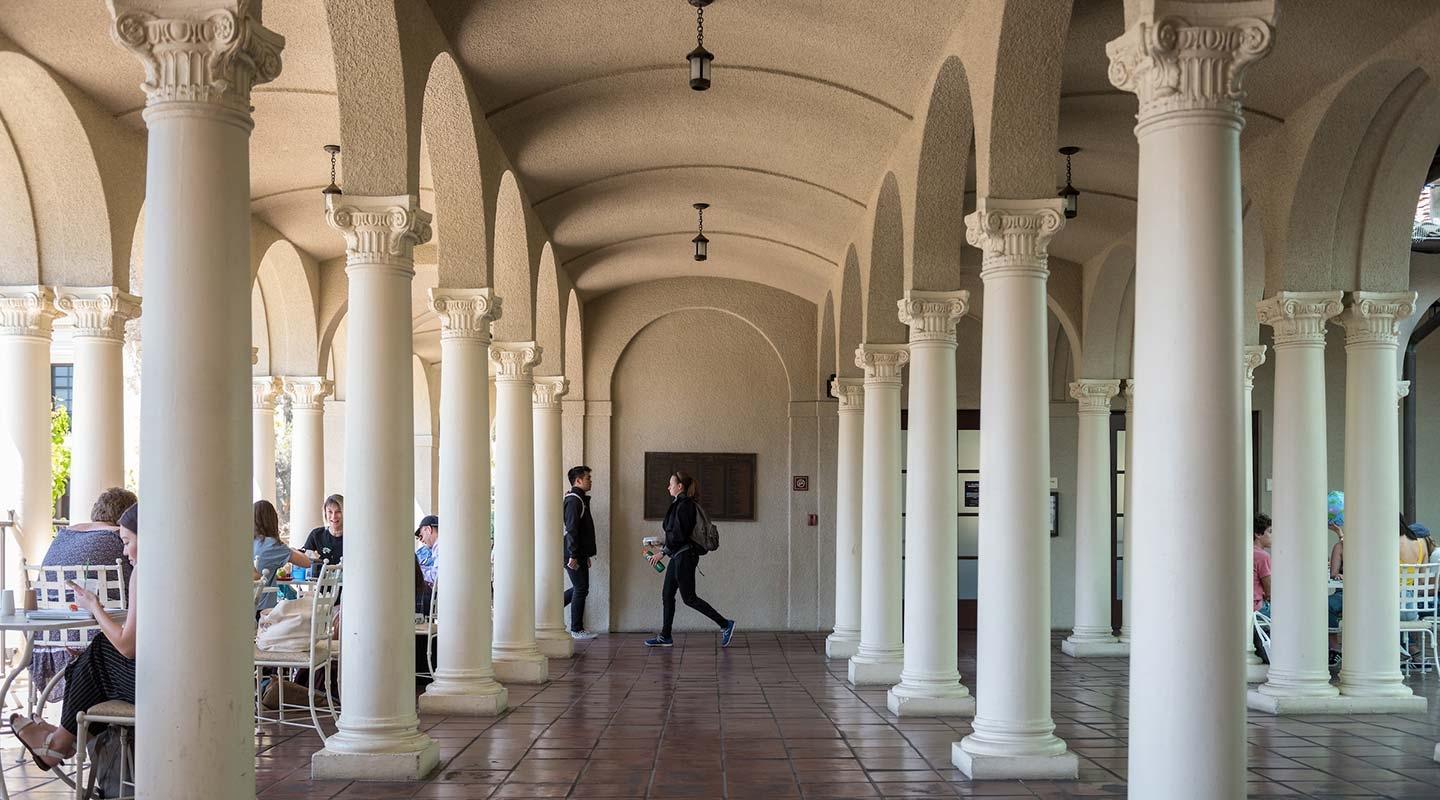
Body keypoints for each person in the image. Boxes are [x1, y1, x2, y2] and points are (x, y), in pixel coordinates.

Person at [10, 503, 139, 771]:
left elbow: (127, 647)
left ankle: (59, 743)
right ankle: (63, 740)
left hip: (52, 643)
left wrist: (93, 605)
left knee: (98, 654)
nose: (124, 551)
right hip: (186, 670)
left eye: (127, 542)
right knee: (97, 654)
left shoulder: (64, 537)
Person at [31, 487, 137, 699]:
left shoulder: (63, 536)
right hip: (96, 644)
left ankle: (62, 731)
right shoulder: (119, 539)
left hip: (47, 643)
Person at [644, 471, 736, 648]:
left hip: (685, 557)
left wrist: (662, 553)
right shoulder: (679, 504)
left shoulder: (685, 505)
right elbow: (677, 535)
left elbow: (679, 535)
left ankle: (725, 624)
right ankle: (665, 636)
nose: (668, 486)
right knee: (667, 594)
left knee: (689, 598)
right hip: (678, 555)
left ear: (680, 487)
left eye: (671, 483)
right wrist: (661, 544)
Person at [253, 499, 311, 611]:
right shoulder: (272, 545)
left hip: (243, 609)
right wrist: (291, 550)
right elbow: (306, 562)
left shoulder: (246, 542)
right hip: (263, 611)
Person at [562, 466, 597, 640]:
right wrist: (574, 555)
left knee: (581, 588)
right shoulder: (574, 500)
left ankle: (551, 607)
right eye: (588, 478)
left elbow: (583, 531)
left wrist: (586, 555)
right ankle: (576, 629)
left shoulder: (580, 499)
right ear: (578, 481)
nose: (590, 480)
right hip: (572, 553)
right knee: (581, 588)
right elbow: (572, 530)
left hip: (579, 553)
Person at [301, 494, 345, 566]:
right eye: (330, 512)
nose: (333, 516)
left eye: (338, 512)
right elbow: (304, 558)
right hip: (320, 577)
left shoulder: (353, 537)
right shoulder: (316, 534)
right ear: (325, 513)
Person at [1253, 515, 1273, 664]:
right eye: (1270, 531)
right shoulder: (1262, 556)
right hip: (1258, 607)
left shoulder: (1245, 552)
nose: (1273, 536)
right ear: (1258, 534)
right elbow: (1270, 590)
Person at [1327, 522, 1344, 665]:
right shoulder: (1340, 546)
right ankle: (1334, 647)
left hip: (1365, 596)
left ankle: (1334, 647)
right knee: (1325, 604)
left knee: (1327, 604)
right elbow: (1334, 574)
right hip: (1345, 593)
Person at [414, 514, 439, 586]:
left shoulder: (440, 545)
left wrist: (417, 570)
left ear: (428, 529)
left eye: (421, 536)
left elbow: (436, 576)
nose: (421, 540)